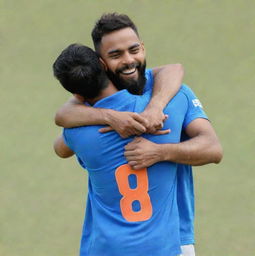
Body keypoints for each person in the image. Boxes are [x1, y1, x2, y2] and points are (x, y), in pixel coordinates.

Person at [54, 13, 223, 256]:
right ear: (101, 63)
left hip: (106, 248)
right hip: (170, 244)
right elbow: (174, 69)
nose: (129, 60)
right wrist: (112, 116)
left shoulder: (80, 129)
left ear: (142, 47)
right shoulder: (176, 99)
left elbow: (61, 139)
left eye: (134, 50)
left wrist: (159, 151)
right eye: (115, 55)